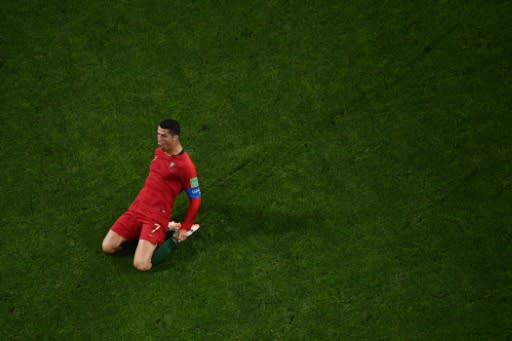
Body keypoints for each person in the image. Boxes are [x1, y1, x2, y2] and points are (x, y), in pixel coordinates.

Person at [102, 119, 202, 271]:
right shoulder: (159, 152)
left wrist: (185, 227)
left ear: (175, 137)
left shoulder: (187, 167)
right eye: (158, 135)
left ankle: (174, 238)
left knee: (141, 265)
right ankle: (165, 228)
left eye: (163, 136)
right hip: (137, 208)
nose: (158, 140)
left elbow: (196, 199)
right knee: (107, 247)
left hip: (156, 216)